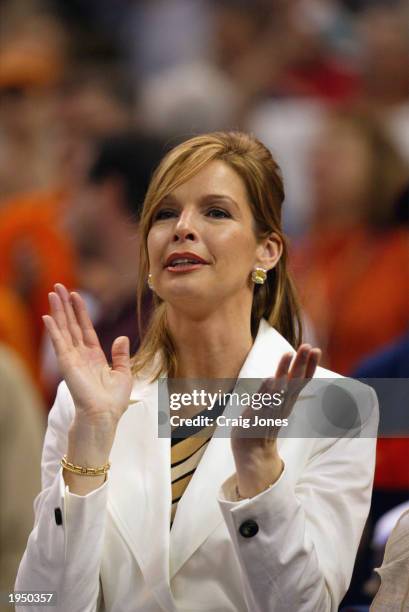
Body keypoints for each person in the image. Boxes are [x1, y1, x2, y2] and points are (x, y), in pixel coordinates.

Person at [16, 131, 378, 611]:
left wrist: (259, 474)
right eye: (165, 213)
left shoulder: (337, 409)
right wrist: (91, 442)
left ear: (266, 252)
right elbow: (38, 602)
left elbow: (304, 605)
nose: (183, 228)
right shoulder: (84, 406)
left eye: (216, 212)